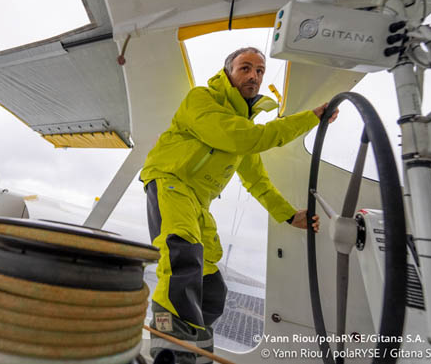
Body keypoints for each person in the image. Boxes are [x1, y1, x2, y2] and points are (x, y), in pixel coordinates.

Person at [140, 47, 338, 363]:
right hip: (169, 182)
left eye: (260, 71)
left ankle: (197, 354)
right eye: (245, 68)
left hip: (198, 201)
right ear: (228, 72)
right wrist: (310, 118)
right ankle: (170, 350)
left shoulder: (241, 124)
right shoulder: (202, 100)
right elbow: (244, 139)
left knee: (212, 288)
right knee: (182, 259)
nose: (254, 77)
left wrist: (289, 215)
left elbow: (257, 180)